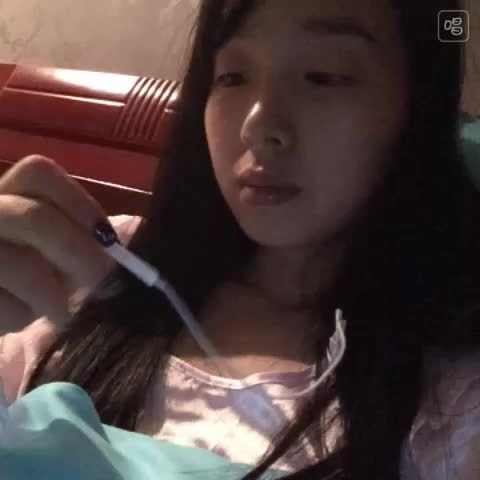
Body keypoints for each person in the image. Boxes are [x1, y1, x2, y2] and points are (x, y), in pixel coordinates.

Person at [0, 0, 478, 478]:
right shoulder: (99, 264)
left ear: (418, 107)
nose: (257, 125)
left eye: (323, 76)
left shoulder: (453, 400)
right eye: (231, 77)